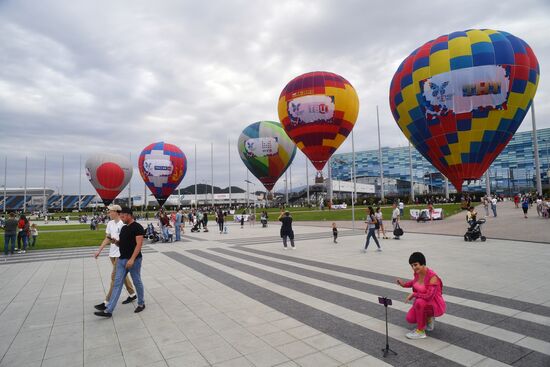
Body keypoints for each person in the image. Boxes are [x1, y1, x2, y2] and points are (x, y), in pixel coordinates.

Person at [95, 207, 145, 317]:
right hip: (121, 259)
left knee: (137, 281)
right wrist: (115, 242)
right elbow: (122, 243)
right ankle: (109, 310)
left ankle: (141, 303)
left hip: (134, 260)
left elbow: (139, 245)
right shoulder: (124, 228)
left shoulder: (137, 227)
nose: (121, 218)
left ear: (129, 215)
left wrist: (132, 259)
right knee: (117, 283)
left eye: (123, 216)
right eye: (120, 216)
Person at [396, 252, 446, 339]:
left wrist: (414, 294)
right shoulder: (417, 273)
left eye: (415, 265)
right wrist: (403, 284)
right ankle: (428, 319)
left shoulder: (433, 277)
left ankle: (420, 331)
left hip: (434, 304)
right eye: (412, 266)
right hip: (423, 301)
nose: (414, 268)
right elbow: (415, 283)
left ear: (422, 263)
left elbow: (429, 296)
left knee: (419, 302)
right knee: (410, 318)